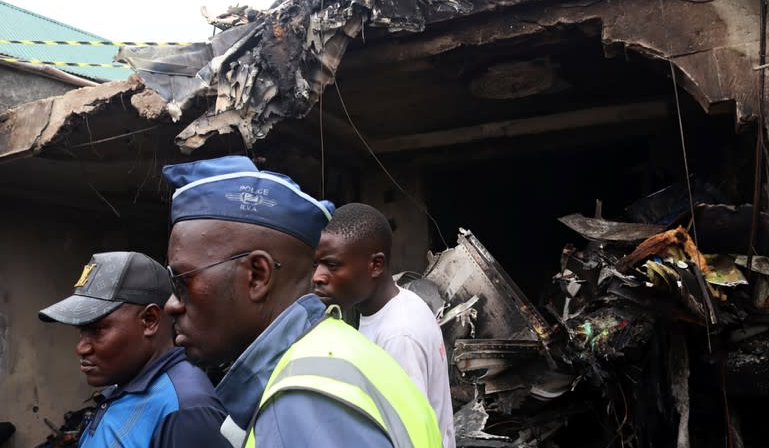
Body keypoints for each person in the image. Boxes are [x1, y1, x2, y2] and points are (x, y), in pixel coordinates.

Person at [161, 155, 441, 448]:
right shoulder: (340, 351)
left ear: (257, 276)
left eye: (182, 282)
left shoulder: (302, 399)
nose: (171, 304)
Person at [38, 251, 227, 448]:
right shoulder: (126, 385)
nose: (81, 348)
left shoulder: (184, 411)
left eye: (97, 330)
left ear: (149, 320)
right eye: (81, 331)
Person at [312, 203, 456, 448]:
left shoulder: (398, 335)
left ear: (375, 265)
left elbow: (408, 437)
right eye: (316, 264)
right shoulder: (401, 303)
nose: (317, 276)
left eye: (332, 265)